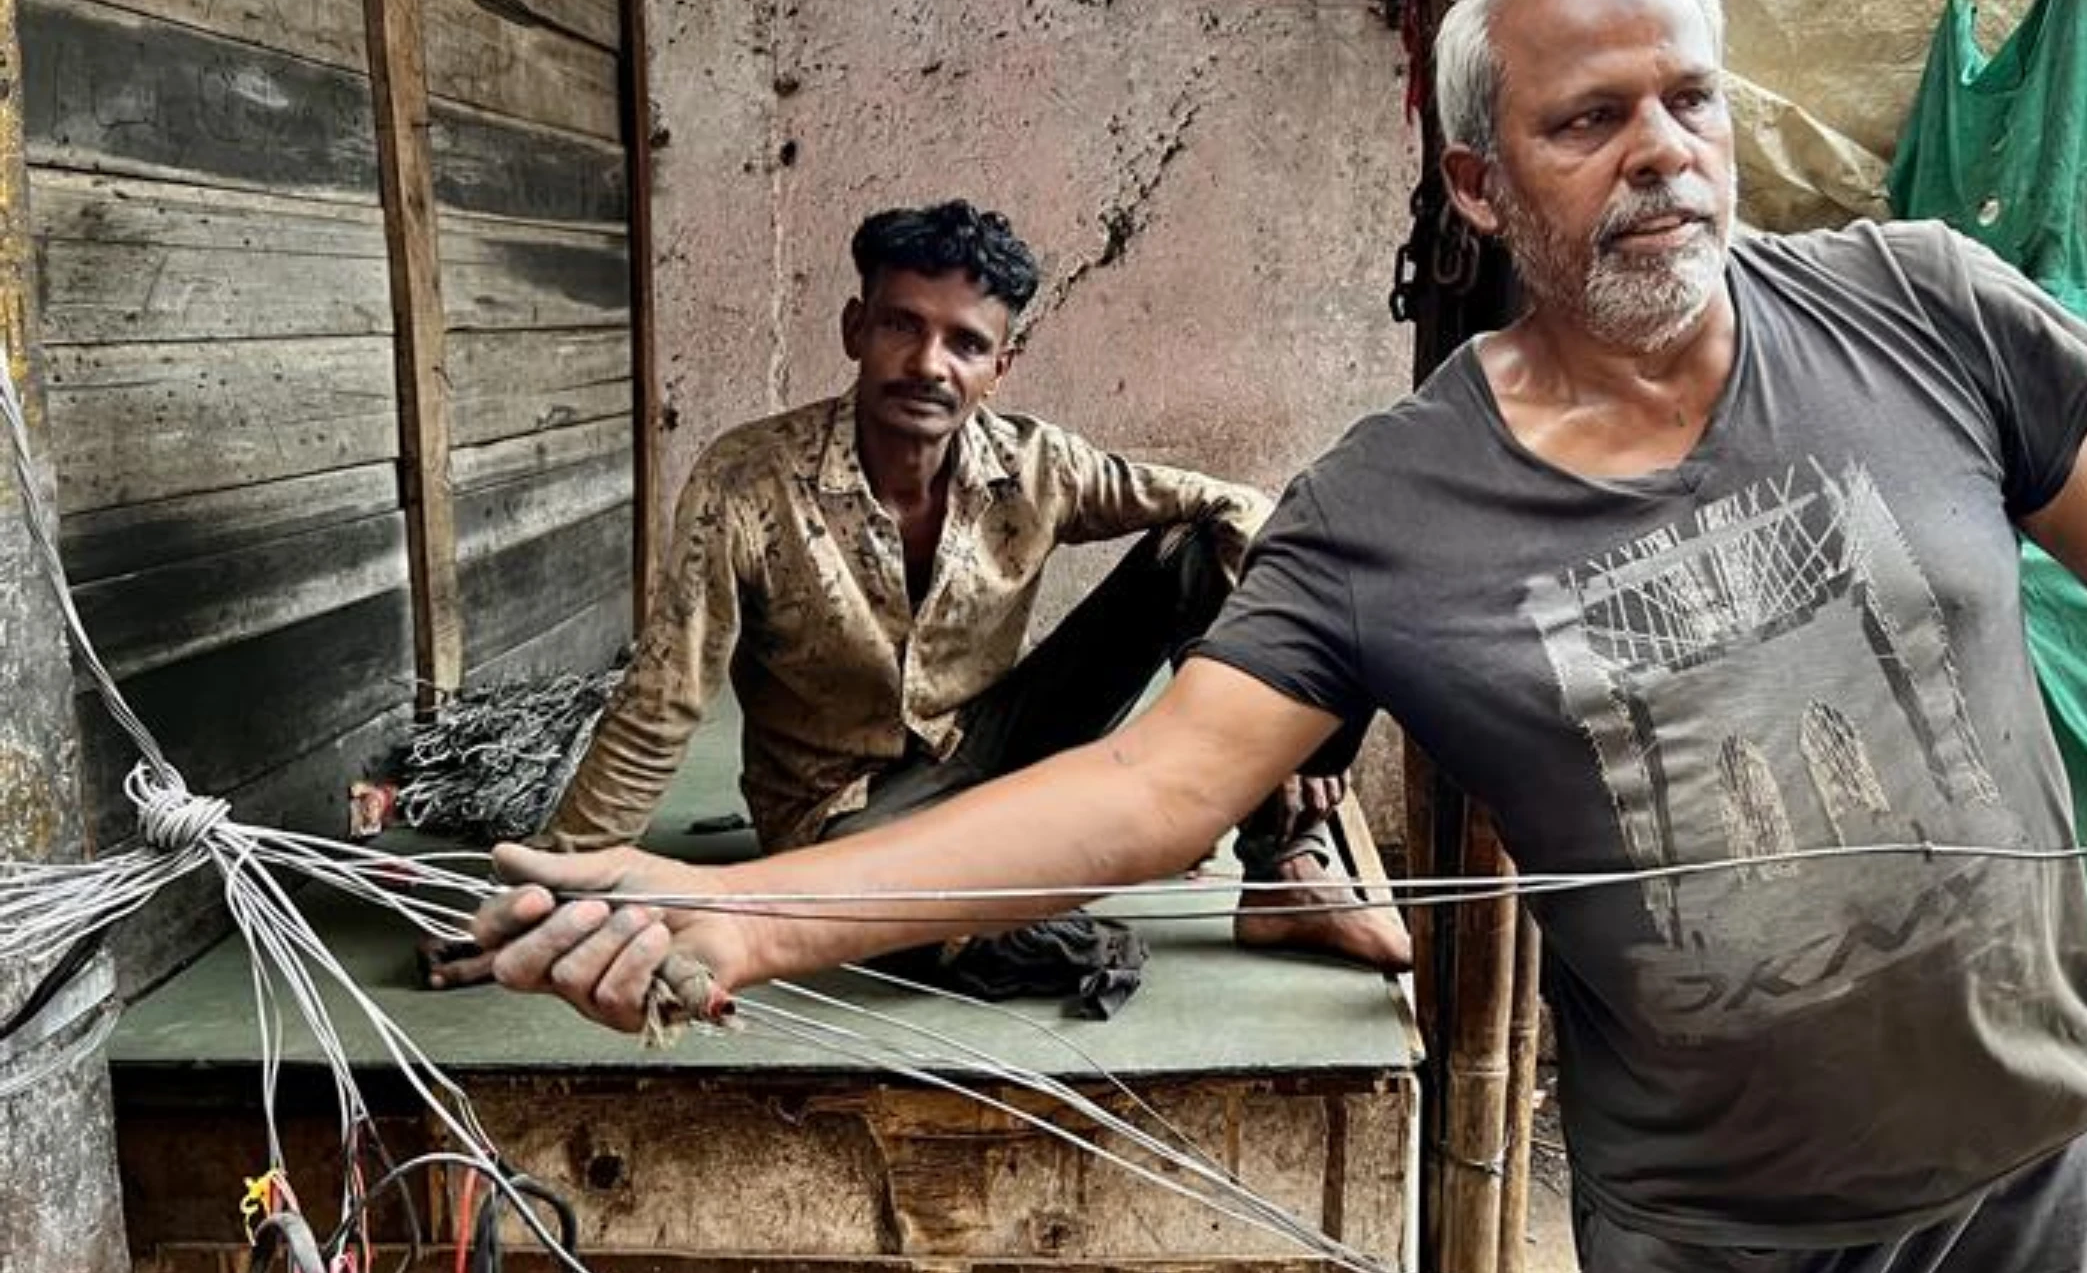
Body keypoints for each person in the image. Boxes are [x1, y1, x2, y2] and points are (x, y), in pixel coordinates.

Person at [463, 0, 2087, 1273]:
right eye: (1590, 120)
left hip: (2034, 1174)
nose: (1663, 151)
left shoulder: (1924, 307)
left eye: (1691, 98)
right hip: (1713, 1248)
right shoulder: (1389, 507)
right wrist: (739, 911)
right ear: (1479, 181)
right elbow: (1145, 796)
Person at [457, 199, 1408, 973]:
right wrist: (560, 900)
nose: (927, 364)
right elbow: (660, 703)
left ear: (1001, 367)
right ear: (855, 329)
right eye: (902, 326)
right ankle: (967, 903)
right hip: (841, 815)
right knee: (972, 940)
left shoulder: (1039, 465)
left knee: (1201, 546)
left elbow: (1244, 508)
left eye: (963, 342)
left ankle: (1283, 876)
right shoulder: (747, 482)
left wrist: (1309, 730)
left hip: (996, 747)